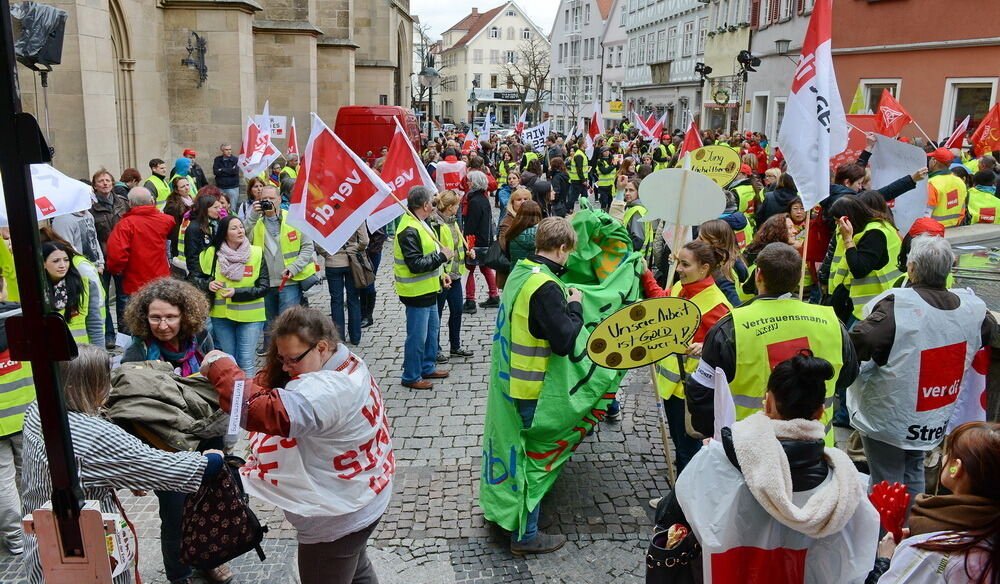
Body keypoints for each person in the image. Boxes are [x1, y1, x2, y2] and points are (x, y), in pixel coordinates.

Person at [200, 306, 392, 584]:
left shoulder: (325, 392)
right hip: (364, 496)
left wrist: (221, 367)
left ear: (322, 347)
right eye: (281, 358)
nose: (286, 368)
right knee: (356, 566)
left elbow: (259, 411)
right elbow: (273, 383)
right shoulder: (346, 362)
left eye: (293, 360)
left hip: (336, 518)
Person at [22, 344, 225, 584]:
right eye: (104, 379)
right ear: (89, 385)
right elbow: (166, 469)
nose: (109, 386)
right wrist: (211, 459)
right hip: (86, 554)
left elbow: (83, 468)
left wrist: (123, 474)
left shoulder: (40, 409)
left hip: (43, 545)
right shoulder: (94, 434)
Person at [675, 351, 879, 583]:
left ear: (768, 402)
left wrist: (711, 457)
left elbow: (673, 517)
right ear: (821, 412)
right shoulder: (851, 488)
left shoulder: (716, 461)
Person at [848, 235, 995, 498]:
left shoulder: (898, 306)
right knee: (914, 470)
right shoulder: (971, 308)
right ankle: (911, 528)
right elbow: (984, 331)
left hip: (890, 413)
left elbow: (861, 341)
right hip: (930, 413)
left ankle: (888, 536)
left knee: (887, 479)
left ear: (911, 268)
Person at [686, 243, 858, 446]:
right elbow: (847, 376)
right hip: (815, 448)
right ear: (799, 278)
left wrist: (716, 435)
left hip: (748, 451)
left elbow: (701, 392)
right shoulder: (832, 323)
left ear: (758, 275)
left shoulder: (731, 327)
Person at [500, 216, 583, 554]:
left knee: (525, 457)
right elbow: (563, 341)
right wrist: (575, 305)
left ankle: (524, 518)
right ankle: (526, 535)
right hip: (534, 387)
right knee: (537, 459)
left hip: (514, 380)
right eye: (569, 252)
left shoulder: (522, 271)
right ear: (562, 248)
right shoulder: (547, 287)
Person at [868, 421, 1000, 583]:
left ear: (955, 468)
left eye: (949, 453)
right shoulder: (990, 531)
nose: (944, 457)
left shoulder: (931, 552)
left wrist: (885, 561)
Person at [643, 240, 732, 481]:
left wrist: (705, 347)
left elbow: (731, 348)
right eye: (677, 262)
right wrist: (646, 273)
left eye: (685, 264)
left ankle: (684, 506)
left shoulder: (716, 305)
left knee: (689, 450)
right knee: (682, 446)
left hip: (692, 393)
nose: (679, 268)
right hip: (675, 389)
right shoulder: (683, 288)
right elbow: (663, 300)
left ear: (704, 268)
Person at [192, 215, 268, 375]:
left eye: (241, 227)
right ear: (224, 233)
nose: (240, 230)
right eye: (234, 228)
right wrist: (208, 284)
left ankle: (247, 398)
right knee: (229, 360)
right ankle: (231, 396)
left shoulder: (256, 253)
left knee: (245, 360)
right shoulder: (211, 253)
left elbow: (264, 287)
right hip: (221, 316)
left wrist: (236, 293)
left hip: (250, 316)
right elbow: (196, 278)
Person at [394, 186, 452, 389]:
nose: (435, 205)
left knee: (431, 332)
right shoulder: (409, 229)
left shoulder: (421, 223)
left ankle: (427, 367)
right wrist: (442, 257)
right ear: (425, 205)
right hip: (415, 293)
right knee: (417, 337)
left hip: (428, 289)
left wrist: (442, 274)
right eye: (433, 202)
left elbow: (428, 255)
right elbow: (416, 264)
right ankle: (411, 375)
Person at [246, 185, 318, 339]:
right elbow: (241, 240)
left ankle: (290, 352)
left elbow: (307, 247)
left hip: (289, 280)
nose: (267, 202)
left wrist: (294, 267)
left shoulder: (293, 219)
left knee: (287, 322)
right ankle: (274, 355)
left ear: (279, 199)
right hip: (265, 282)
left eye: (271, 198)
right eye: (264, 199)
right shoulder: (255, 222)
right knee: (270, 323)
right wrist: (251, 216)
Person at [827, 194, 902, 326]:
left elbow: (859, 269)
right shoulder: (876, 227)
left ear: (848, 219)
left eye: (837, 221)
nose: (837, 225)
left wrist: (848, 240)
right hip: (874, 303)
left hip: (874, 304)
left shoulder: (874, 233)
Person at [0, 275, 31, 557]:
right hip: (26, 410)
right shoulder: (21, 317)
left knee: (2, 479)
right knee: (30, 472)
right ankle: (38, 526)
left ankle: (15, 537)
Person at [122, 277, 214, 371]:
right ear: (144, 317)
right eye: (155, 318)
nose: (163, 327)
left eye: (170, 317)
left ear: (185, 316)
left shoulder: (201, 337)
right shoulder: (137, 348)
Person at [106, 187, 177, 298]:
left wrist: (115, 269)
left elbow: (117, 254)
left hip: (135, 281)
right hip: (161, 277)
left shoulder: (125, 225)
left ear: (130, 203)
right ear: (151, 200)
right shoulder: (166, 220)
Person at [428, 191, 474, 362]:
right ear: (449, 207)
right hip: (443, 276)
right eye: (456, 205)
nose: (458, 208)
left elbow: (457, 247)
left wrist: (467, 252)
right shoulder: (436, 225)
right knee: (437, 314)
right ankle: (436, 348)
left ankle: (455, 346)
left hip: (456, 275)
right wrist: (443, 272)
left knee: (457, 311)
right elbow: (437, 251)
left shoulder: (453, 222)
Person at [90, 168, 130, 347]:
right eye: (101, 181)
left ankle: (124, 333)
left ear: (113, 183)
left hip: (122, 256)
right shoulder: (90, 206)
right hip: (102, 258)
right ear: (95, 185)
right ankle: (108, 334)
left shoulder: (122, 202)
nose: (105, 183)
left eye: (107, 180)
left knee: (123, 297)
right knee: (103, 298)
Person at [43, 241, 103, 345]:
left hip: (82, 354)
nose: (62, 265)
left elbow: (94, 324)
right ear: (43, 263)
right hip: (52, 352)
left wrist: (100, 353)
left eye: (66, 260)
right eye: (56, 261)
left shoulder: (86, 284)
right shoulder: (37, 289)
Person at [321, 224, 368, 346]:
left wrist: (327, 254)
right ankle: (355, 337)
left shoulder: (326, 214)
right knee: (353, 299)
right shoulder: (355, 212)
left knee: (336, 301)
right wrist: (355, 248)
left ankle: (338, 337)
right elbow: (364, 240)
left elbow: (317, 242)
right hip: (352, 262)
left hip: (333, 262)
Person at [462, 171, 500, 314]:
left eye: (470, 181)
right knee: (485, 268)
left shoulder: (474, 201)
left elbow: (471, 224)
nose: (468, 183)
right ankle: (493, 295)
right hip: (485, 239)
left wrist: (467, 243)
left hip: (475, 241)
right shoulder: (483, 198)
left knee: (469, 269)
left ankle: (470, 301)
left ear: (475, 183)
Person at [698, 219, 748, 307]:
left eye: (701, 239)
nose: (696, 240)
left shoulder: (722, 273)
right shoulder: (732, 260)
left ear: (716, 244)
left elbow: (735, 305)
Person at [926, 147, 968, 227]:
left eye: (931, 159)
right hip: (954, 229)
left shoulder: (931, 183)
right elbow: (962, 210)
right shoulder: (960, 181)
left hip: (934, 231)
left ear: (934, 162)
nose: (929, 161)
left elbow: (926, 213)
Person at [182, 194, 223, 278]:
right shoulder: (194, 228)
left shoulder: (215, 223)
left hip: (215, 272)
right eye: (215, 208)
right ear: (205, 209)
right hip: (202, 275)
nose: (219, 210)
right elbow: (192, 257)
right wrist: (201, 280)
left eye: (219, 207)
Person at [359, 223, 385, 329]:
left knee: (369, 282)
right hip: (359, 252)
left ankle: (367, 316)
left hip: (371, 252)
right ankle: (362, 313)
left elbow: (380, 236)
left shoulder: (372, 215)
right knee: (360, 282)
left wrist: (368, 250)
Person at [163, 176, 195, 262]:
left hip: (190, 238)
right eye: (182, 186)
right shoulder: (173, 206)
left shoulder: (190, 199)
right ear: (177, 190)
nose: (186, 188)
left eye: (187, 185)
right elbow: (174, 230)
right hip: (181, 242)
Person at [622, 178, 654, 256]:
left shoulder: (637, 211)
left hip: (633, 258)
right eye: (626, 190)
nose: (627, 193)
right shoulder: (640, 207)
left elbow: (638, 241)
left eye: (631, 190)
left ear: (639, 192)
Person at [566, 143, 589, 209]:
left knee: (584, 196)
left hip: (581, 179)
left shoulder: (581, 154)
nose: (571, 152)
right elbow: (579, 169)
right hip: (576, 180)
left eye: (573, 151)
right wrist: (583, 180)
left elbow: (582, 168)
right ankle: (568, 210)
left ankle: (584, 210)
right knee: (573, 197)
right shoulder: (577, 156)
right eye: (570, 151)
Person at [594, 147, 617, 212]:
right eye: (605, 151)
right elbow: (604, 171)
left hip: (611, 185)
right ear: (602, 153)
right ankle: (603, 213)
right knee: (604, 201)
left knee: (610, 201)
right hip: (603, 186)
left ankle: (608, 213)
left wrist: (617, 164)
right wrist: (613, 166)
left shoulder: (612, 160)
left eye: (608, 151)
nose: (607, 152)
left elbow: (618, 168)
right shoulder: (600, 162)